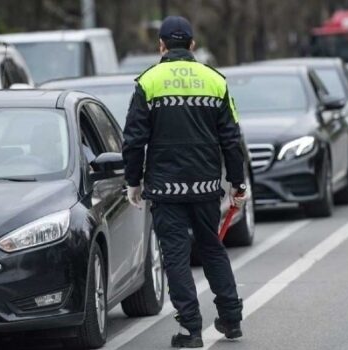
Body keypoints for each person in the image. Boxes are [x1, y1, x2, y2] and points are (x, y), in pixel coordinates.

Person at [122, 15, 248, 348]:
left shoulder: (149, 81)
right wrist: (237, 183)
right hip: (206, 186)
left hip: (165, 188)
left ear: (160, 45)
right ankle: (232, 319)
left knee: (175, 257)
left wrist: (133, 181)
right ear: (192, 45)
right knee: (212, 248)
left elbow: (133, 139)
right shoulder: (215, 80)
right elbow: (231, 138)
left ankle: (191, 330)